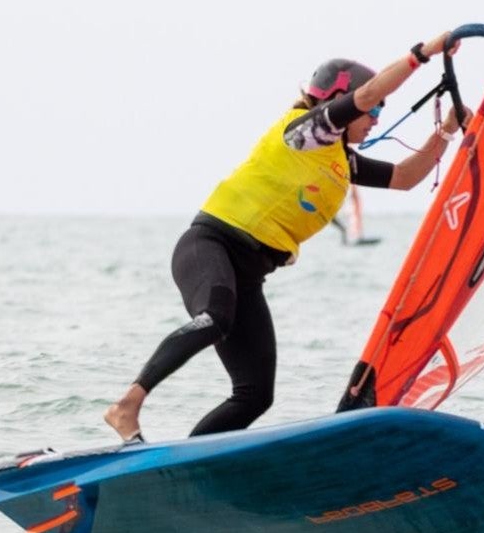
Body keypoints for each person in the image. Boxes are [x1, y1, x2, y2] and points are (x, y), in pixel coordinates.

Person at [104, 33, 462, 442]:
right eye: (376, 108)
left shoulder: (339, 160)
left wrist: (446, 134)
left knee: (256, 394)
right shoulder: (304, 132)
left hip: (249, 272)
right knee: (215, 318)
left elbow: (404, 178)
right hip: (211, 244)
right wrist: (424, 52)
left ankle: (191, 467)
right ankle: (126, 406)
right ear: (338, 98)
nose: (377, 117)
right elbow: (364, 97)